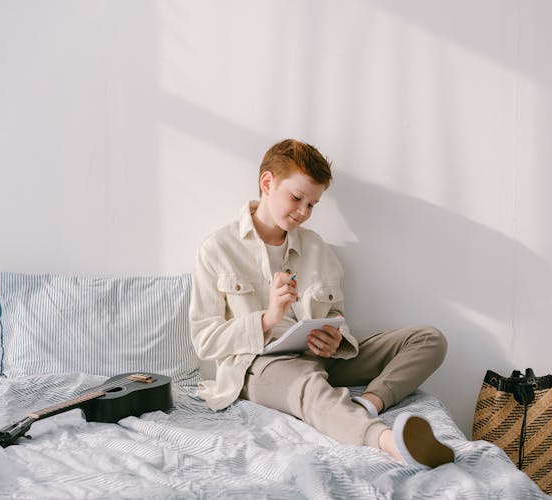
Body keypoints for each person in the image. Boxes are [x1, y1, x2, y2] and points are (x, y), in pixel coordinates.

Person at [188, 139, 453, 468]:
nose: (303, 212)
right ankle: (390, 442)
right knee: (309, 384)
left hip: (319, 357)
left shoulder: (317, 248)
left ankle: (368, 404)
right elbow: (204, 340)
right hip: (258, 365)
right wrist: (267, 319)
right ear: (267, 183)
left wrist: (336, 340)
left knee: (428, 339)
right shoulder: (217, 249)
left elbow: (335, 314)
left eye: (312, 204)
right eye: (297, 198)